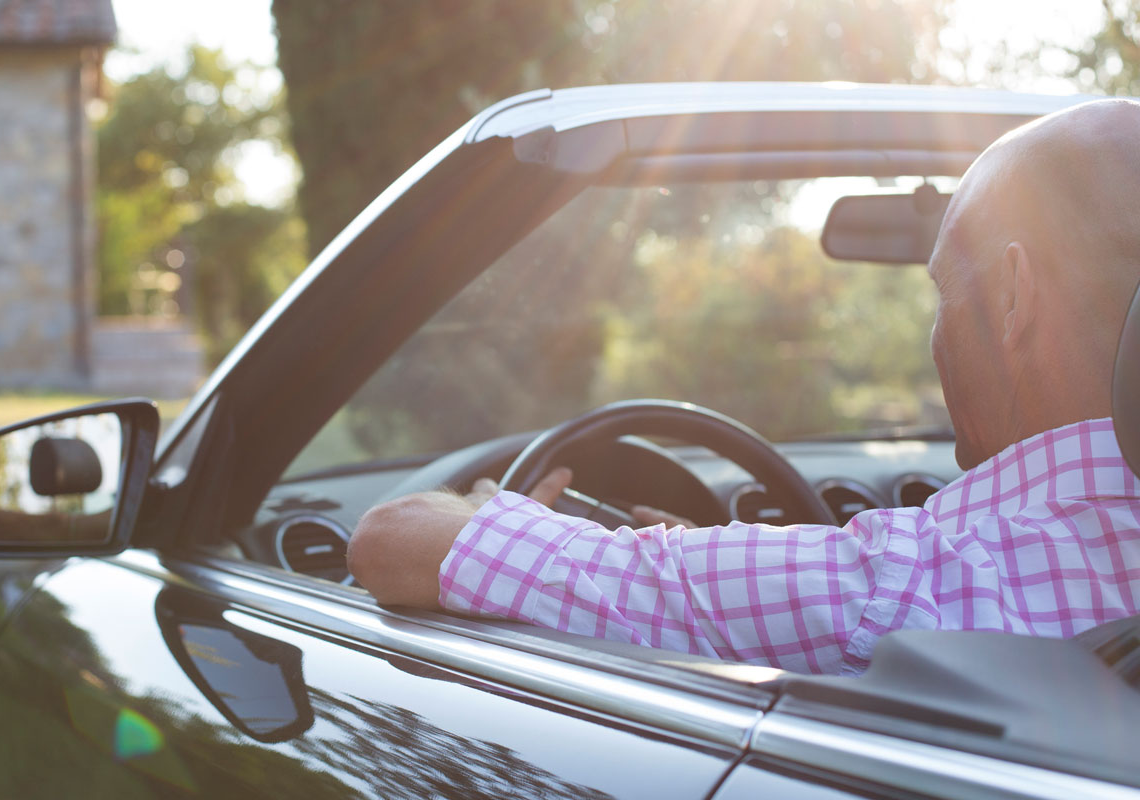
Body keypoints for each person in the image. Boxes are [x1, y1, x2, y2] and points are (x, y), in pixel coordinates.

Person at [345, 98, 1140, 675]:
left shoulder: (907, 589)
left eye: (943, 293)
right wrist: (696, 558)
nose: (935, 335)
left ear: (1010, 298)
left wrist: (488, 510)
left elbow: (392, 540)